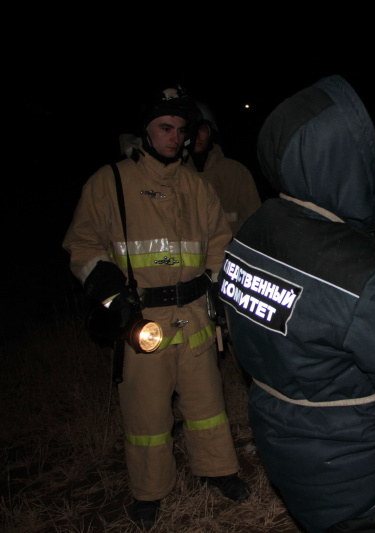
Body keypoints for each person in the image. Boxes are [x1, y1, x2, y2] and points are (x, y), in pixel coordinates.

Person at [220, 74, 375, 533]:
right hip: (350, 459)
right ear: (341, 161)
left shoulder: (253, 231)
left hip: (278, 434)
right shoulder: (370, 271)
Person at [62, 84, 250, 529]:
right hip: (142, 321)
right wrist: (113, 294)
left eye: (181, 128)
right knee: (146, 414)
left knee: (207, 405)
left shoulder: (196, 186)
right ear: (145, 131)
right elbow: (82, 244)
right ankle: (150, 492)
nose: (174, 136)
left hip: (195, 317)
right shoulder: (110, 183)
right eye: (165, 127)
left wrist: (213, 281)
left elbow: (221, 244)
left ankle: (218, 470)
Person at [188, 101, 262, 235]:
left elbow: (255, 223)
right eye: (190, 129)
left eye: (202, 129)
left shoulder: (236, 172)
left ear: (211, 131)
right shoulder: (174, 173)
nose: (196, 135)